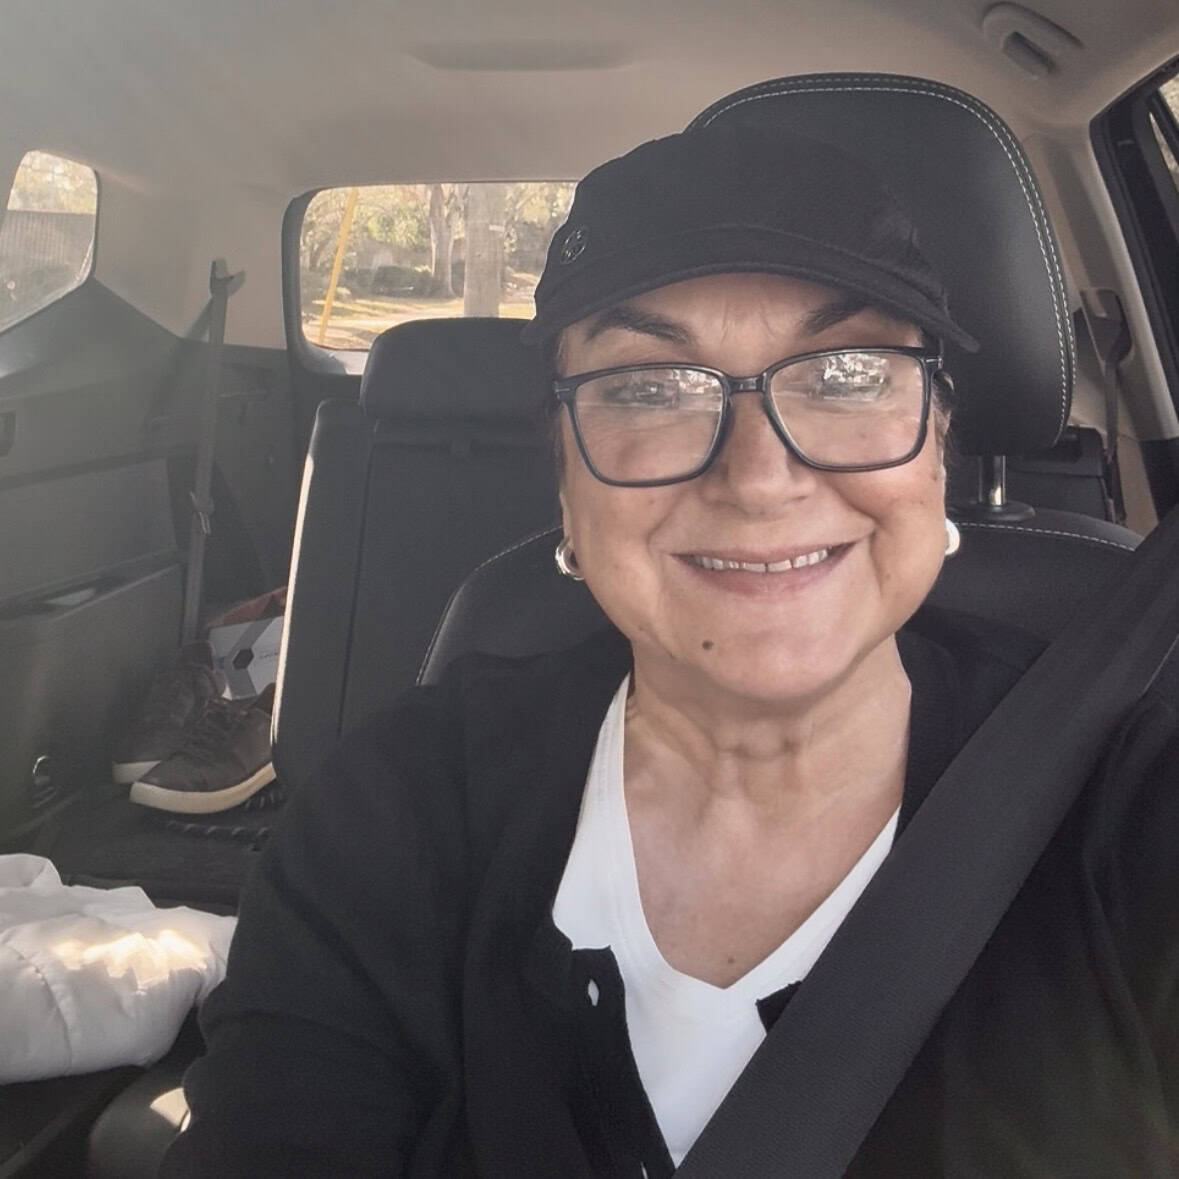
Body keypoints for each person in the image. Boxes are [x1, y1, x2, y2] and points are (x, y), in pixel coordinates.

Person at [164, 123, 1179, 1177]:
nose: (757, 478)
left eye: (843, 372)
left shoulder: (1131, 804)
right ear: (565, 477)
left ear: (936, 444)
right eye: (649, 387)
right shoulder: (399, 811)